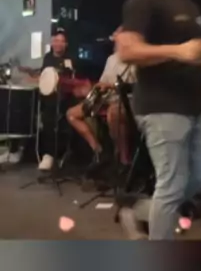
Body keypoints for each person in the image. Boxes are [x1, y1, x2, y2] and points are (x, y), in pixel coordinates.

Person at [116, 0, 201, 240]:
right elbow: (127, 51)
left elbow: (198, 60)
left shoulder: (191, 5)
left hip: (195, 106)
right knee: (172, 185)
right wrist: (177, 51)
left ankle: (140, 211)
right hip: (161, 107)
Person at [66, 27, 136, 170]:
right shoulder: (111, 59)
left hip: (125, 100)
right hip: (105, 98)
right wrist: (90, 89)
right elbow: (102, 82)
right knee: (72, 114)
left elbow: (134, 86)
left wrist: (110, 86)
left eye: (117, 34)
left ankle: (123, 160)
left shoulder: (135, 59)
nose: (114, 37)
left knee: (113, 114)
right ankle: (98, 151)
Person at [22, 29, 76, 171]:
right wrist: (33, 77)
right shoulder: (47, 58)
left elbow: (71, 79)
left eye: (61, 41)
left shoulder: (69, 59)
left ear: (66, 44)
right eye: (55, 41)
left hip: (63, 98)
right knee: (27, 108)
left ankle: (52, 154)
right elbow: (44, 77)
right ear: (52, 43)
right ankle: (21, 150)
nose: (58, 44)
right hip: (47, 97)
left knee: (50, 118)